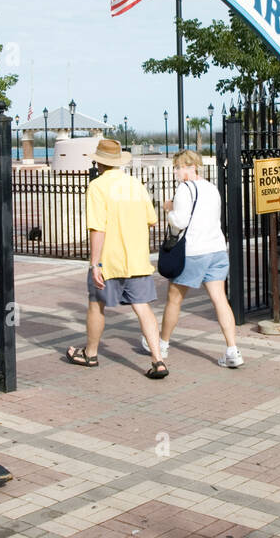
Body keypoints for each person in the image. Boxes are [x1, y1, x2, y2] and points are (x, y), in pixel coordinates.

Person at [66, 138, 167, 378]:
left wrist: (95, 263)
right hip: (137, 258)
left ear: (98, 162)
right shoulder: (135, 184)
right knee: (143, 307)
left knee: (96, 305)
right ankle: (158, 359)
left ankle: (90, 353)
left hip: (109, 260)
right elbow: (151, 220)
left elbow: (97, 228)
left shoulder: (97, 187)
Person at [152, 149, 242, 368]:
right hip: (217, 249)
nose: (175, 171)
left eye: (178, 167)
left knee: (174, 298)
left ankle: (162, 344)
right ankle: (232, 350)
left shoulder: (184, 188)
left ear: (190, 167)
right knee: (220, 299)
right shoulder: (212, 188)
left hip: (194, 251)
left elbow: (180, 222)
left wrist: (168, 210)